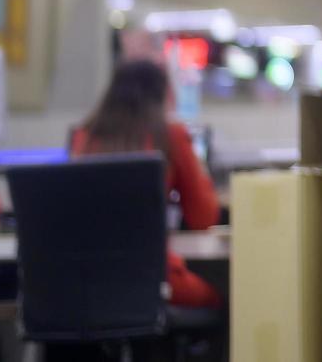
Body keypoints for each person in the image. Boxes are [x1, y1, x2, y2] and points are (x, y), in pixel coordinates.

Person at [70, 60, 221, 308]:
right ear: (162, 95)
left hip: (87, 284)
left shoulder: (82, 139)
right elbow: (203, 218)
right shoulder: (170, 135)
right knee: (221, 297)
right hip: (155, 280)